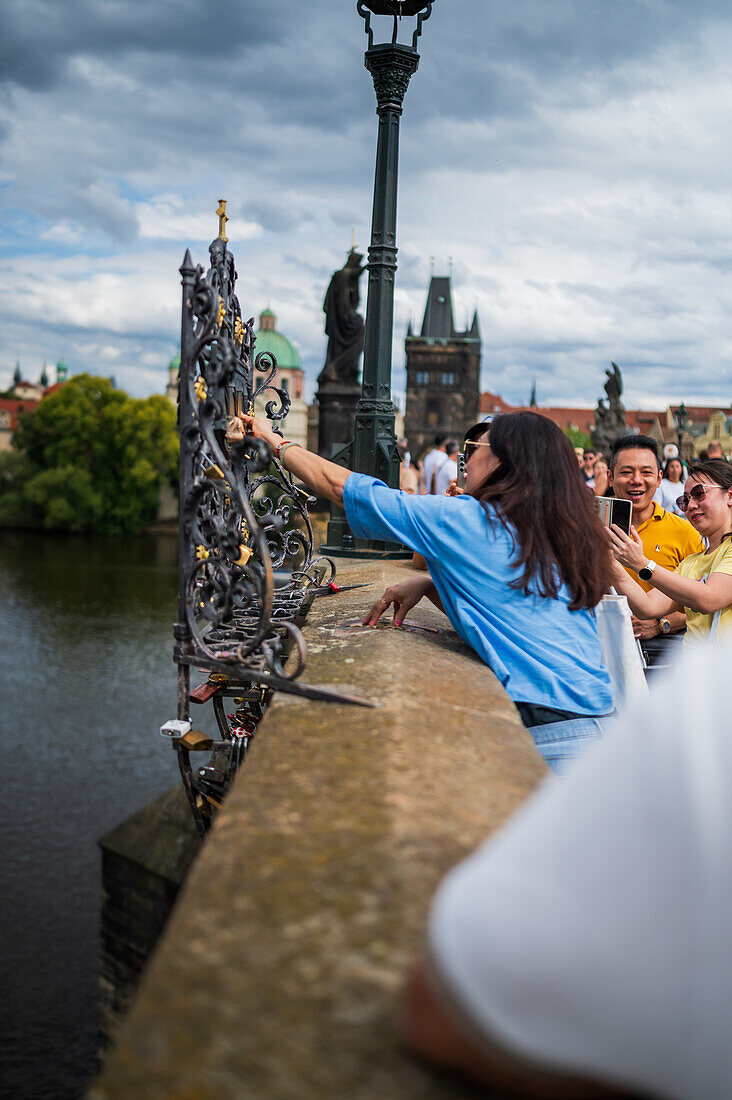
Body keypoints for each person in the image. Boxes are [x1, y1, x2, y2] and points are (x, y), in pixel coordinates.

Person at [400, 638, 732, 1099]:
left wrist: (643, 568)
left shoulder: (711, 698)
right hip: (593, 720)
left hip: (571, 731)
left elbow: (451, 1004)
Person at [228, 411, 614, 773]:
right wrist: (433, 582)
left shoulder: (468, 520)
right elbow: (511, 605)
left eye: (473, 452)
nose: (465, 462)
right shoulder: (559, 532)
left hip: (549, 734)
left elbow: (344, 488)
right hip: (602, 726)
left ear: (501, 461)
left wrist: (273, 441)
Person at [608, 460, 732, 645]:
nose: (690, 506)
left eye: (699, 494)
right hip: (695, 670)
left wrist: (642, 564)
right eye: (685, 500)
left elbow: (709, 599)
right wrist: (609, 562)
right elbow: (646, 606)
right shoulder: (690, 562)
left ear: (729, 495)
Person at [607, 434, 704, 667]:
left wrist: (662, 623)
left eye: (646, 472)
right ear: (610, 477)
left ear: (659, 478)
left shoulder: (684, 531)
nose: (637, 480)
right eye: (626, 472)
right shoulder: (588, 529)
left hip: (662, 652)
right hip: (601, 646)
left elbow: (702, 608)